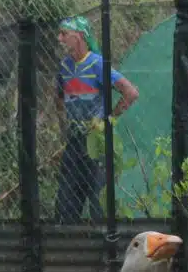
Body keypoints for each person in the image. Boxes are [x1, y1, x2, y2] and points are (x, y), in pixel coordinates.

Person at [55, 16, 139, 224]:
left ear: (80, 36)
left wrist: (107, 120)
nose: (59, 39)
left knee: (98, 201)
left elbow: (130, 92)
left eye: (64, 34)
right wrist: (64, 126)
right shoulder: (64, 66)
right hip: (74, 142)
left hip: (97, 142)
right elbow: (58, 96)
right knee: (66, 202)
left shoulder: (97, 64)